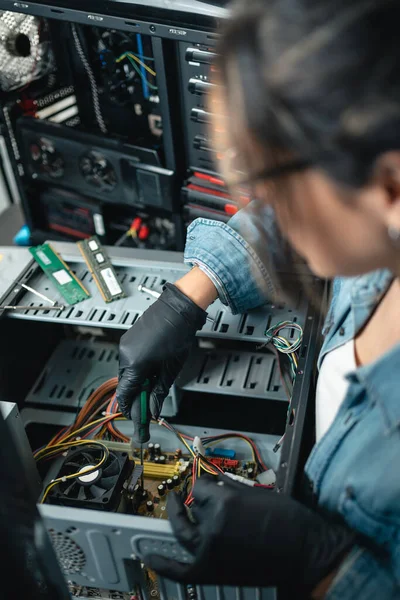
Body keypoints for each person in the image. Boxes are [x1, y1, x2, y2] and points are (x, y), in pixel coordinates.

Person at [117, 0, 400, 597]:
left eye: (265, 181)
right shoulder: (375, 220)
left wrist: (330, 569)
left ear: (391, 185)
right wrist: (191, 294)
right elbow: (279, 223)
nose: (260, 205)